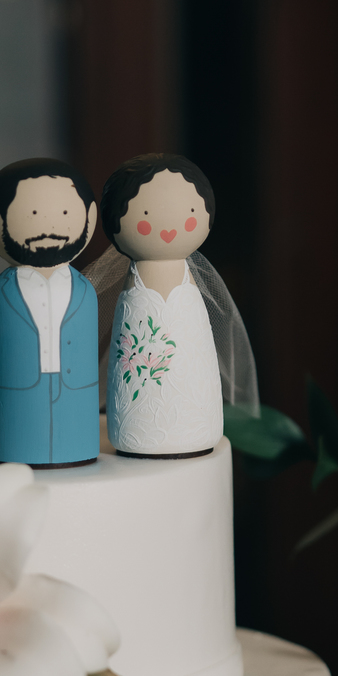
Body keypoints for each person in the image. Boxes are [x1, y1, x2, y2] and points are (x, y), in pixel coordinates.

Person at [100, 154, 226, 458]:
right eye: (144, 212)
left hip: (199, 430)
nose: (171, 226)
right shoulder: (135, 283)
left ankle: (194, 424)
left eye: (191, 211)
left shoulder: (189, 283)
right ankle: (140, 430)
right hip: (135, 433)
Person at [0, 157, 100, 466]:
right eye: (32, 213)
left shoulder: (86, 291)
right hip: (15, 403)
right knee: (17, 437)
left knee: (75, 442)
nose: (48, 226)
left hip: (77, 400)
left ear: (90, 215)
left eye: (63, 212)